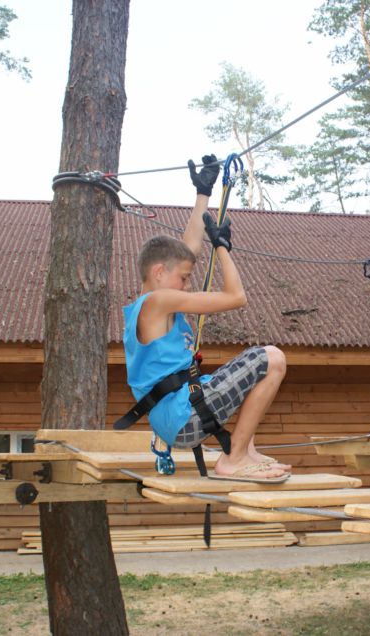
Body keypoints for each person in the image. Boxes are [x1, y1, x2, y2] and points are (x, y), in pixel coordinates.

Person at [121, 154, 291, 483]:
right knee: (272, 358)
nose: (188, 284)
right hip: (183, 415)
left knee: (252, 375)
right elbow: (235, 297)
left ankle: (245, 450)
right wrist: (223, 247)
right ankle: (235, 458)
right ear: (159, 273)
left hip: (179, 415)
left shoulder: (150, 303)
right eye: (184, 278)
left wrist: (203, 192)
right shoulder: (156, 301)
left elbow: (187, 251)